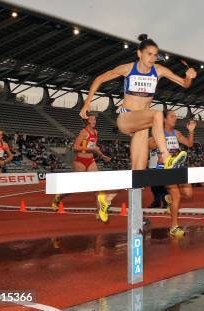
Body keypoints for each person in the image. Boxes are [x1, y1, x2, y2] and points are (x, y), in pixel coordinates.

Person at [79, 34, 197, 222]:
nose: (152, 58)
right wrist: (87, 103)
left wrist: (188, 77)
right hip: (126, 118)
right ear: (139, 53)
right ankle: (167, 157)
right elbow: (100, 79)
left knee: (138, 173)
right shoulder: (128, 69)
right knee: (157, 113)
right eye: (149, 54)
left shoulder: (158, 70)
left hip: (142, 124)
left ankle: (106, 199)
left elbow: (184, 84)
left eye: (155, 55)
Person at [148, 110, 196, 237]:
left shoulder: (177, 133)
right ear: (164, 119)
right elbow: (148, 144)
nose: (175, 119)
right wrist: (157, 151)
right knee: (177, 196)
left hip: (177, 167)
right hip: (164, 168)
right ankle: (174, 227)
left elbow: (189, 144)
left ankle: (168, 199)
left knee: (188, 193)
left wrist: (191, 131)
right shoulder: (159, 134)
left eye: (175, 116)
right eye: (172, 116)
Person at [52, 114, 111, 211]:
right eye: (92, 120)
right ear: (87, 121)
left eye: (95, 120)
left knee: (97, 185)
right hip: (80, 161)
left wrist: (102, 155)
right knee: (76, 186)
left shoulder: (95, 132)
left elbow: (94, 147)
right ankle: (58, 197)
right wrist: (90, 148)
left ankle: (100, 211)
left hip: (91, 160)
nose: (94, 121)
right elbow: (75, 147)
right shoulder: (83, 132)